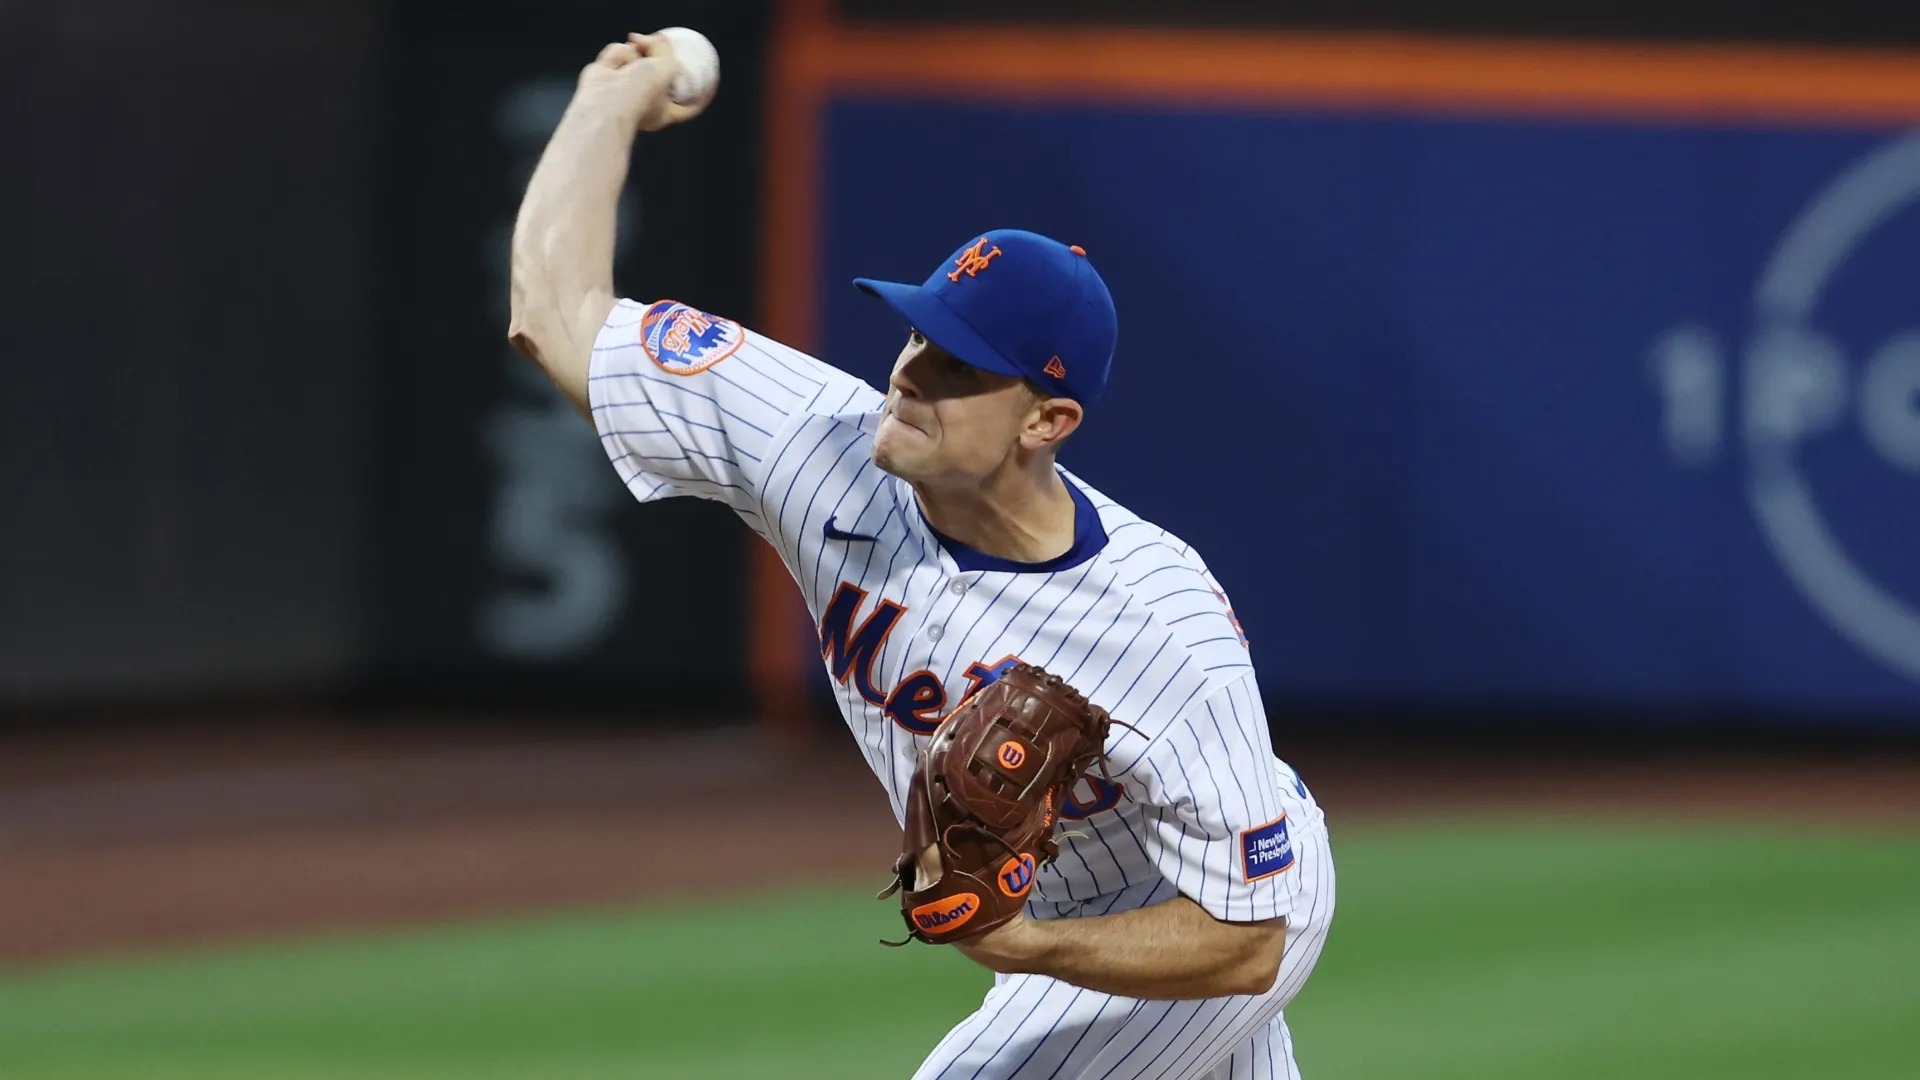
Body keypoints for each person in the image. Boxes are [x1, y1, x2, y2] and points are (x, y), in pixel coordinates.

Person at [507, 32, 1336, 1080]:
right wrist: (604, 102)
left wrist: (1026, 947)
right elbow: (557, 315)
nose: (910, 373)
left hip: (1219, 904)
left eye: (959, 366)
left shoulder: (1159, 627)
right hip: (1095, 910)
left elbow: (1251, 936)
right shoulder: (815, 442)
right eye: (916, 335)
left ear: (1048, 421)